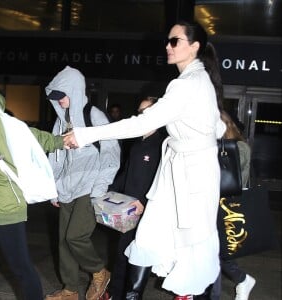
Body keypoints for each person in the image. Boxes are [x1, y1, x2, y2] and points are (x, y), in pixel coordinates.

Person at [63, 20, 226, 300]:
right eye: (168, 40)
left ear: (195, 46)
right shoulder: (197, 81)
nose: (167, 46)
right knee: (149, 238)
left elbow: (143, 123)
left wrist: (86, 134)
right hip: (181, 171)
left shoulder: (189, 83)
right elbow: (218, 127)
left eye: (174, 41)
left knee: (191, 249)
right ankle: (131, 294)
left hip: (191, 176)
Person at [44, 66, 121, 300]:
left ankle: (99, 272)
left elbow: (111, 153)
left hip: (88, 188)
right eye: (55, 97)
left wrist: (100, 188)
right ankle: (70, 290)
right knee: (63, 243)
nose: (60, 101)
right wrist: (53, 190)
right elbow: (55, 157)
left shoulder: (93, 116)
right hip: (66, 188)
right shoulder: (60, 123)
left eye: (63, 95)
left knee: (75, 236)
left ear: (75, 91)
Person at [0, 85, 65, 300]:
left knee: (20, 265)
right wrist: (60, 141)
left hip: (0, 201)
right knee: (21, 265)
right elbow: (29, 135)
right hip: (0, 198)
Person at [105, 96, 167, 300]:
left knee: (135, 257)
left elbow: (161, 178)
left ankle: (123, 294)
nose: (140, 115)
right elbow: (126, 173)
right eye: (139, 112)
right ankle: (117, 293)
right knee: (123, 253)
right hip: (128, 207)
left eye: (145, 112)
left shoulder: (162, 144)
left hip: (145, 211)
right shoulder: (138, 143)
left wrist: (144, 200)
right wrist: (110, 192)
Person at [211, 110, 255, 300]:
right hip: (208, 204)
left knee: (218, 251)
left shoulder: (239, 147)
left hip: (226, 206)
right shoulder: (210, 145)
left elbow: (240, 182)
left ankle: (242, 279)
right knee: (211, 252)